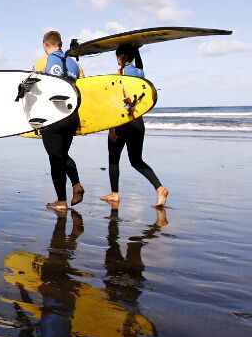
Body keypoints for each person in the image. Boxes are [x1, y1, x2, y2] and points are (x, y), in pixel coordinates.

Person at [100, 44, 169, 208]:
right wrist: (136, 49)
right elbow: (140, 66)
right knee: (136, 160)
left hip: (123, 122)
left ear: (119, 58)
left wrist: (112, 128)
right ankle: (159, 188)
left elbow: (115, 104)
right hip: (138, 123)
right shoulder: (140, 73)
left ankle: (115, 194)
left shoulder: (118, 76)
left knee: (113, 158)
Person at [35, 30, 85, 210]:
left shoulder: (45, 61)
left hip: (54, 116)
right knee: (62, 154)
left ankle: (61, 201)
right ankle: (76, 185)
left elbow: (39, 88)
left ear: (45, 45)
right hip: (72, 115)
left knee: (55, 157)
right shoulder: (73, 63)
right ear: (60, 44)